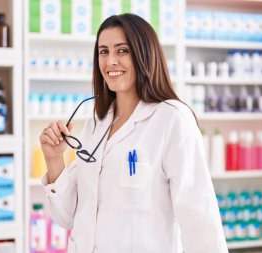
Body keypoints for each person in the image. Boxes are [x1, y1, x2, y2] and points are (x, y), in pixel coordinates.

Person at [39, 13, 228, 253]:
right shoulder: (96, 123)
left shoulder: (172, 118)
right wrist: (54, 159)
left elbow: (199, 216)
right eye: (103, 51)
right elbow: (67, 217)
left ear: (144, 55)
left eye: (122, 50)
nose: (110, 62)